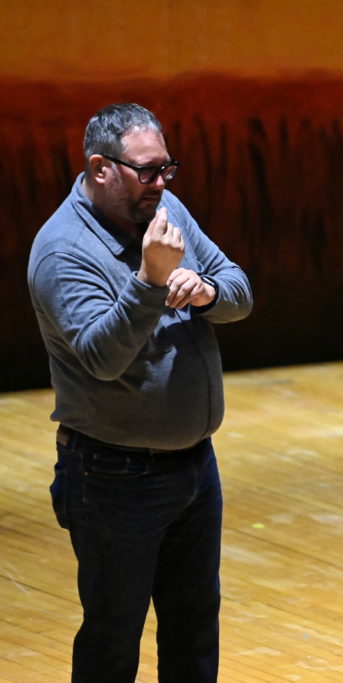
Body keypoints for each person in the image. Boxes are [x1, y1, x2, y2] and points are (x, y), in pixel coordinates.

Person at [27, 103, 253, 681]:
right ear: (101, 168)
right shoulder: (61, 251)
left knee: (194, 630)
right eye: (147, 171)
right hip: (112, 477)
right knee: (112, 640)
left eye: (166, 168)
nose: (161, 183)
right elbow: (102, 358)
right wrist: (151, 282)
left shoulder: (163, 206)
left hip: (195, 468)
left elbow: (239, 291)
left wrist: (203, 291)